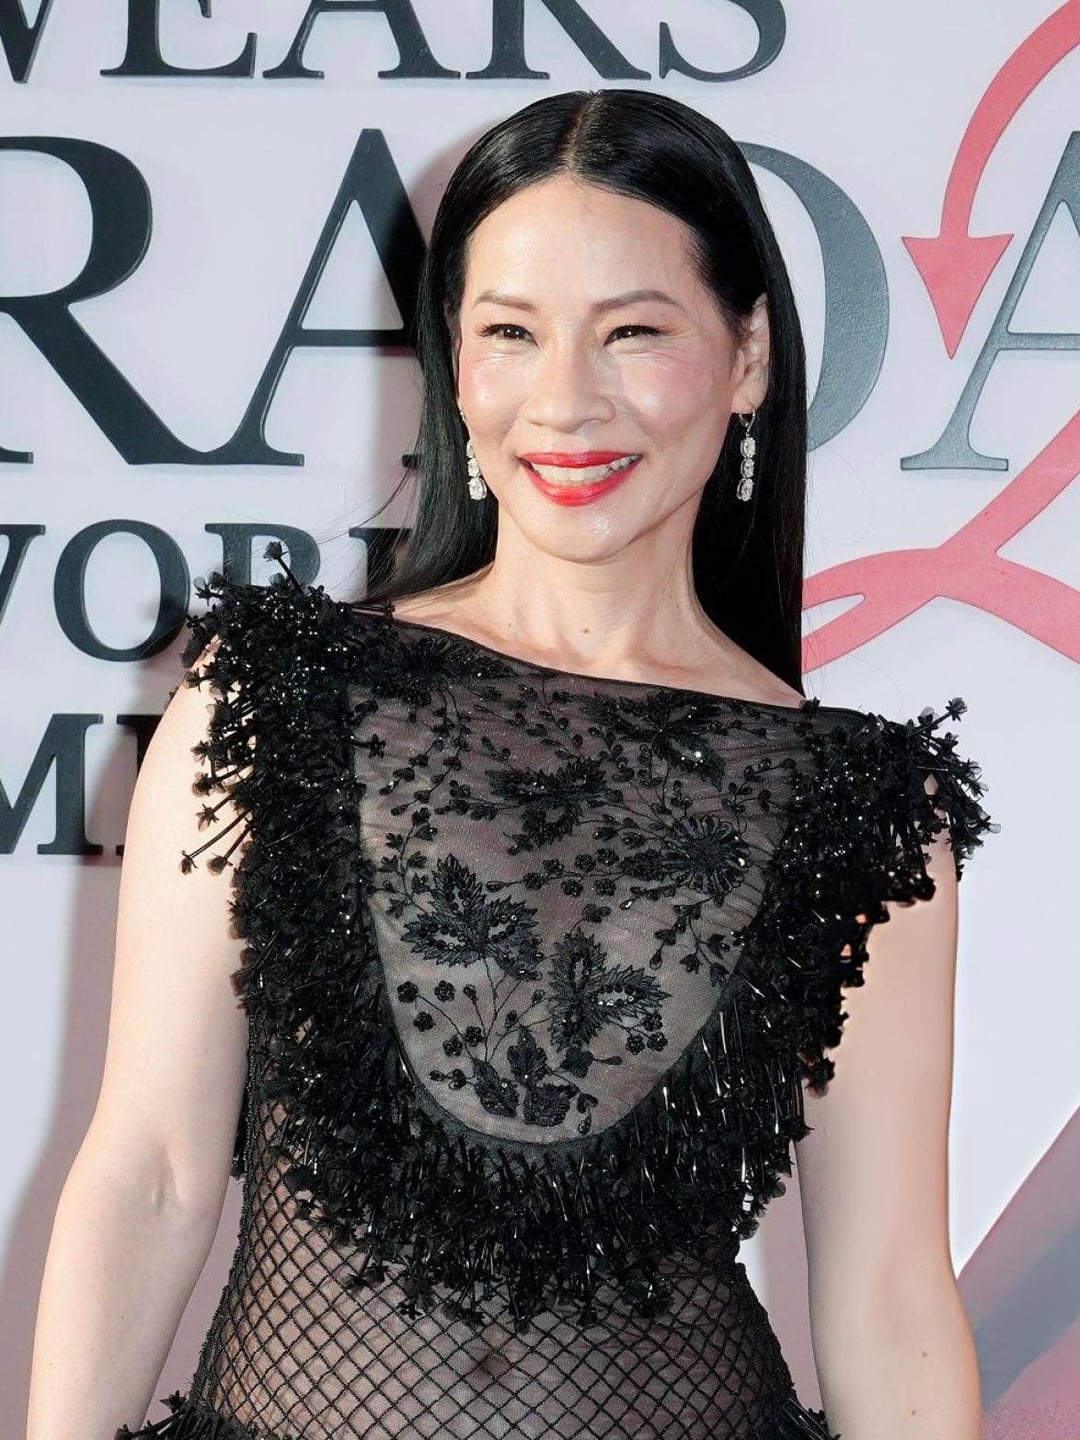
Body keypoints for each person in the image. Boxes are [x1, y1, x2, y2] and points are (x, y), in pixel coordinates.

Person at [27, 89, 997, 1440]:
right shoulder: (275, 696)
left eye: (634, 333)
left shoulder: (859, 808)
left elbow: (890, 1301)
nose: (565, 401)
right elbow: (150, 1175)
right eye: (510, 333)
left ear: (749, 356)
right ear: (454, 363)